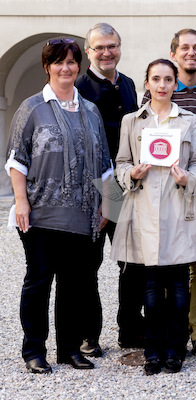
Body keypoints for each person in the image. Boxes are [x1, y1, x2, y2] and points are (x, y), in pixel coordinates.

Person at [5, 38, 112, 373]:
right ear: (47, 67)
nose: (65, 68)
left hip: (83, 217)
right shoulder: (32, 108)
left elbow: (105, 164)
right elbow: (16, 160)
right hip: (39, 214)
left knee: (74, 286)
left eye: (71, 62)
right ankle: (33, 350)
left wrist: (111, 207)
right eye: (58, 62)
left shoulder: (91, 110)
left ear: (79, 66)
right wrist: (20, 202)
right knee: (38, 283)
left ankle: (68, 350)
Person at [111, 59, 196, 375]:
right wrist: (132, 173)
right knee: (151, 288)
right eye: (156, 79)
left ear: (175, 83)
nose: (163, 85)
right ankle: (152, 349)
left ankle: (175, 349)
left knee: (179, 287)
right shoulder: (132, 121)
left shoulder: (189, 120)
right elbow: (121, 163)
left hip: (179, 209)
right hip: (144, 210)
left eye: (169, 79)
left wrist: (187, 180)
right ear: (148, 83)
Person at [142, 28, 196, 359]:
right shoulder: (157, 95)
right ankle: (167, 330)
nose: (190, 52)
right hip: (165, 196)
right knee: (166, 267)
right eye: (184, 48)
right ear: (173, 54)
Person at [75, 22, 141, 355]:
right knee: (89, 264)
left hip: (128, 188)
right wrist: (103, 195)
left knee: (132, 263)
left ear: (119, 47)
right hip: (95, 189)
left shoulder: (129, 85)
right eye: (99, 47)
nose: (106, 52)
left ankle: (130, 330)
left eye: (112, 46)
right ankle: (89, 333)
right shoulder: (78, 88)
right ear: (89, 52)